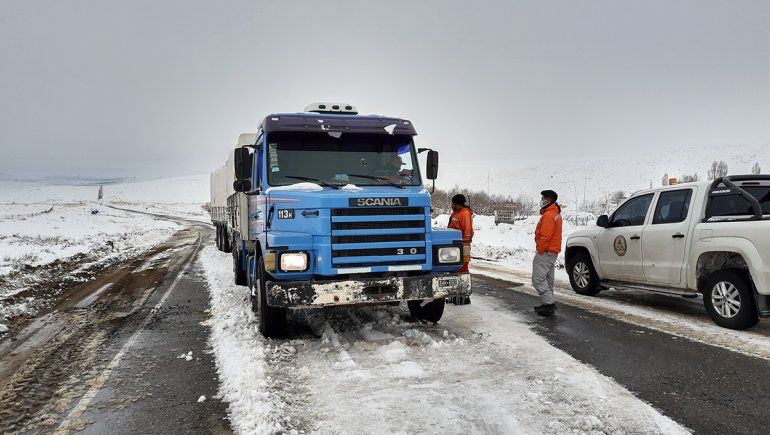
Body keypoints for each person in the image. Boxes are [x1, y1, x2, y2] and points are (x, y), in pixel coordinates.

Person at [532, 189, 562, 316]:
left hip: (546, 252)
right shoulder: (555, 214)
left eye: (543, 198)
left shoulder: (549, 215)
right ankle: (547, 303)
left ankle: (549, 304)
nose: (541, 201)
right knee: (548, 279)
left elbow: (545, 236)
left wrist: (540, 250)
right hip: (552, 252)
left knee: (537, 279)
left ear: (548, 200)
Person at [448, 194, 473, 305]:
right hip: (454, 245)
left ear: (458, 204)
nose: (452, 205)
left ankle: (464, 296)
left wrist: (464, 244)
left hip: (463, 246)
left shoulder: (465, 213)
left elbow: (467, 231)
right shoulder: (456, 213)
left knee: (463, 268)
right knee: (454, 269)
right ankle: (455, 295)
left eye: (454, 204)